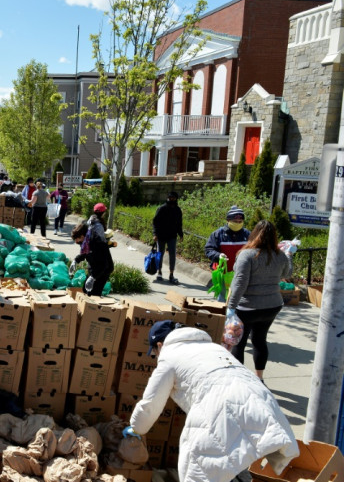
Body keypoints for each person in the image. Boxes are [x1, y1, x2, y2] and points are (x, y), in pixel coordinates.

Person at [124, 320, 299, 482]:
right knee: (239, 452)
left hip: (220, 405)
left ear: (160, 345)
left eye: (154, 351)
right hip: (260, 397)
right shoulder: (213, 347)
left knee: (199, 467)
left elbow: (150, 404)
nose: (155, 356)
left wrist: (136, 427)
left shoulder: (169, 357)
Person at [227, 220, 293, 381]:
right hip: (272, 306)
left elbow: (240, 283)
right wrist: (289, 255)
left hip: (247, 307)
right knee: (259, 340)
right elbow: (288, 273)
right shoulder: (280, 255)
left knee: (239, 343)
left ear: (254, 234)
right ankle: (259, 378)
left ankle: (240, 380)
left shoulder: (247, 254)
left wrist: (231, 306)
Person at [205, 205, 251, 301]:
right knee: (223, 298)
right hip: (223, 273)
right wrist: (218, 255)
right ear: (228, 220)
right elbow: (209, 249)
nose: (238, 223)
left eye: (240, 222)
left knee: (240, 300)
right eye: (235, 221)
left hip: (242, 274)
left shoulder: (247, 235)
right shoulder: (218, 234)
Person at [71, 214, 114, 297]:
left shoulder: (97, 243)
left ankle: (93, 309)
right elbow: (85, 254)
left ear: (82, 236)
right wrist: (76, 260)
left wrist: (93, 278)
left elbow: (104, 265)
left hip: (103, 270)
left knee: (94, 294)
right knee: (85, 290)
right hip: (94, 267)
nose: (76, 242)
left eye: (77, 239)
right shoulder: (86, 242)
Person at [152, 191, 184, 284]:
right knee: (160, 254)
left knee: (172, 255)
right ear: (167, 198)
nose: (171, 200)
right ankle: (159, 272)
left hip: (172, 236)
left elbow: (179, 224)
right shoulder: (161, 209)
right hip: (161, 235)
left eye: (173, 198)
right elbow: (155, 222)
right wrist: (155, 234)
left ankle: (171, 274)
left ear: (176, 199)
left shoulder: (178, 210)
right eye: (170, 198)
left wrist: (181, 234)